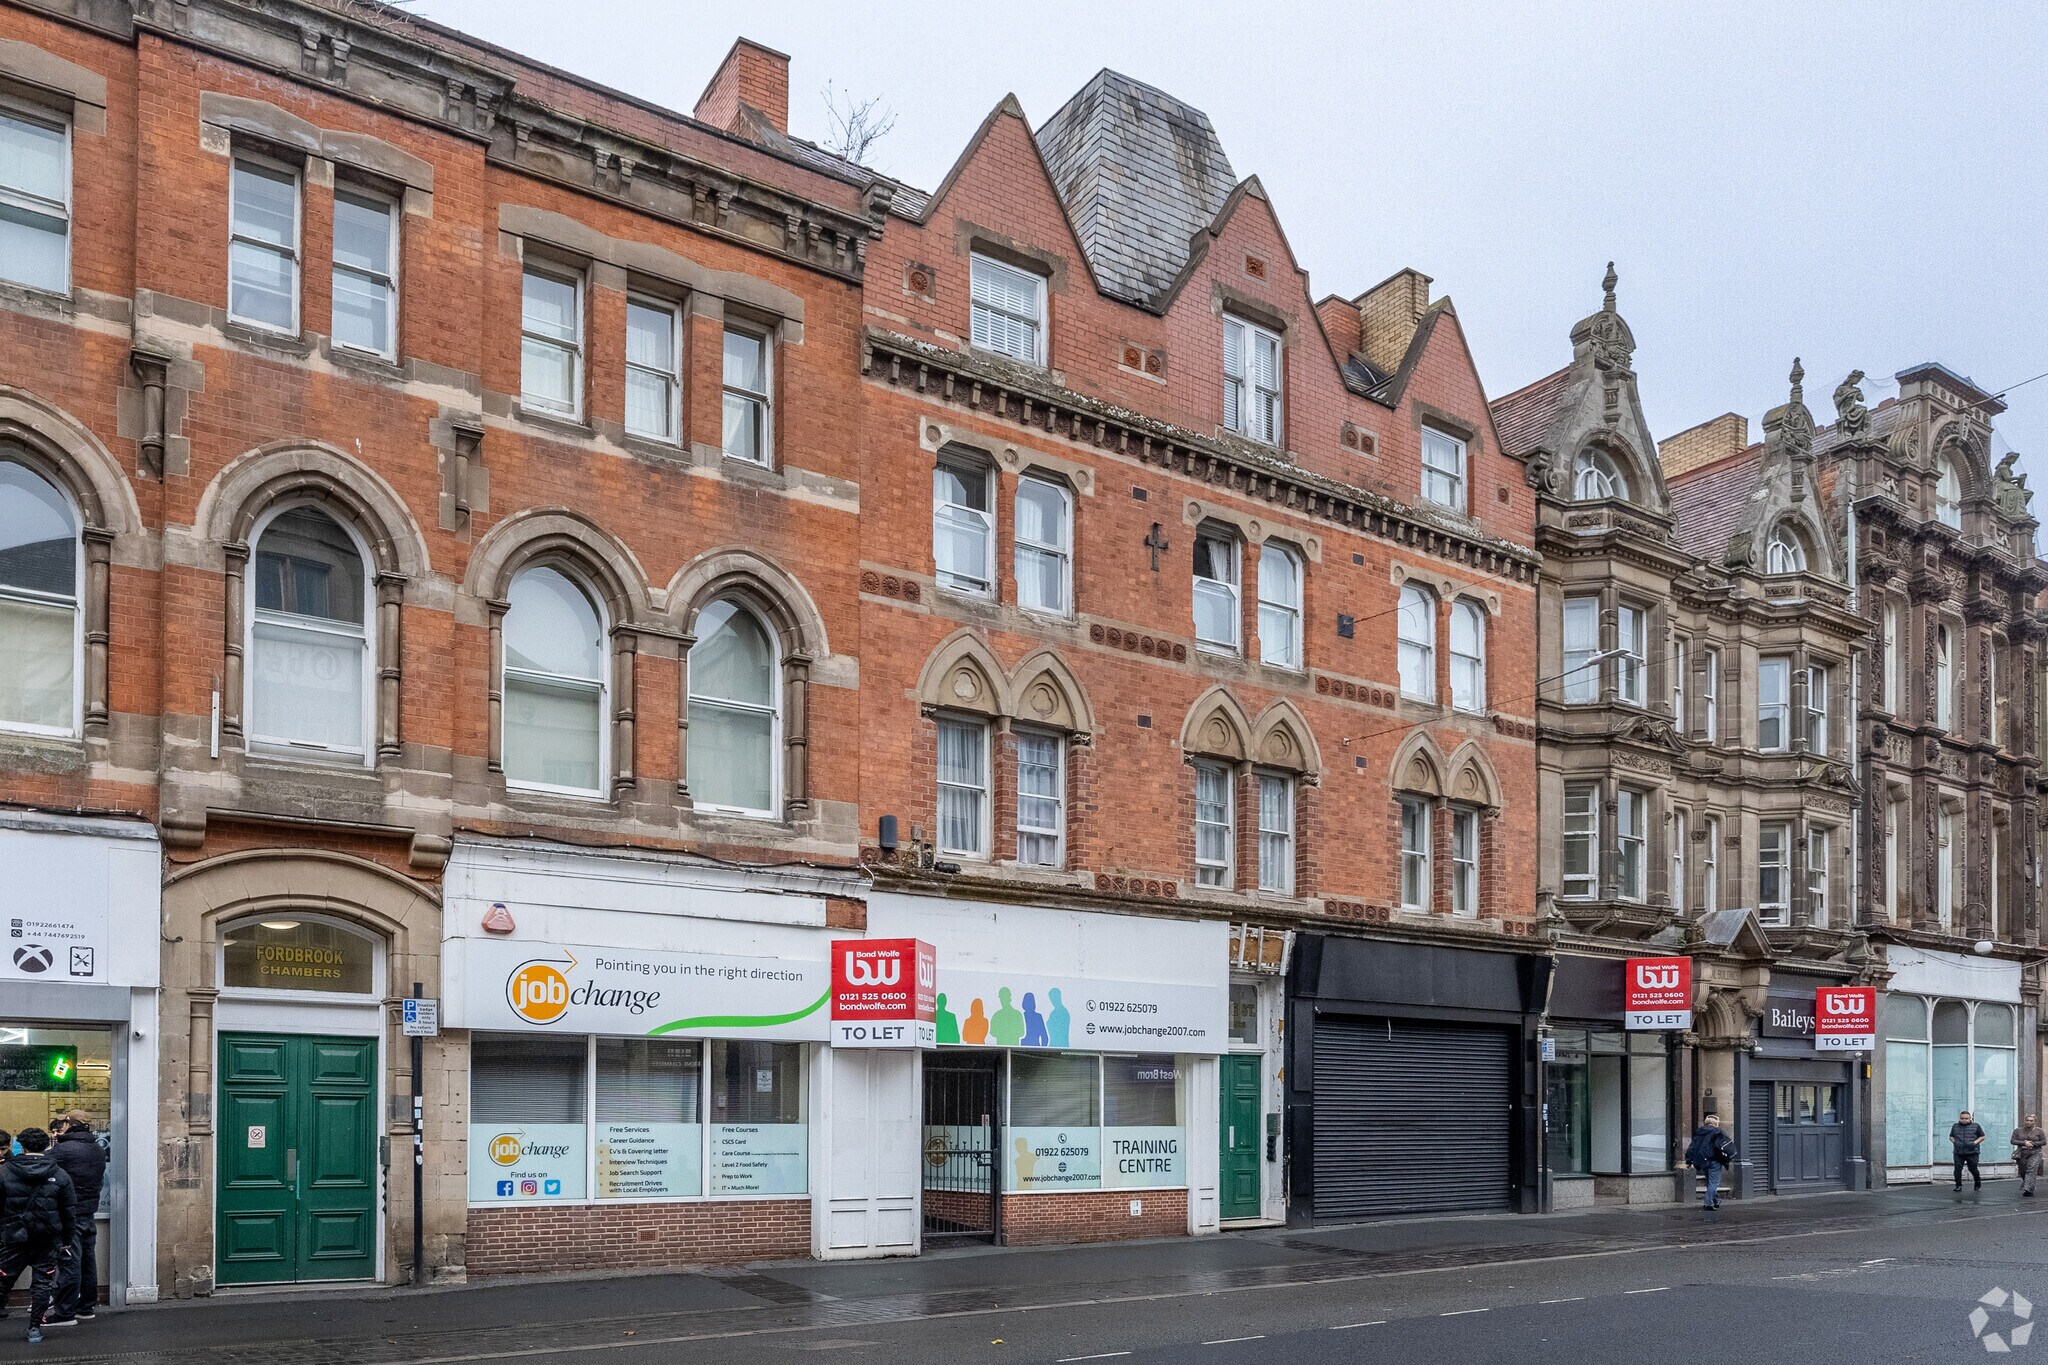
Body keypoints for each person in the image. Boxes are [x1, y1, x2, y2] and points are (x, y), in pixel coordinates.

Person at [0, 1127, 78, 1343]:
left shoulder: (5, 1171)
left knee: (3, 1279)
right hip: (47, 1237)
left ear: (21, 1146)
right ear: (46, 1146)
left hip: (15, 1236)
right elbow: (69, 1211)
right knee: (43, 1284)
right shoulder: (60, 1174)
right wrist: (67, 1240)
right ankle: (34, 1328)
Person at [49, 1114, 106, 1321]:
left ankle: (65, 1312)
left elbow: (43, 1171)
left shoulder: (62, 1150)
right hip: (89, 1209)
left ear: (69, 1124)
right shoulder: (97, 1150)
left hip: (69, 1212)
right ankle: (86, 1306)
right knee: (87, 1260)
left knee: (69, 1261)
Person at [1685, 1112, 1736, 1211]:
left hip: (1702, 1161)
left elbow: (1692, 1147)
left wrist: (1688, 1161)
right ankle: (1708, 1203)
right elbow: (1726, 1145)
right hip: (1715, 1160)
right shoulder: (1719, 1132)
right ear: (1716, 1123)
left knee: (1710, 1182)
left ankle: (1715, 1201)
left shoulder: (1699, 1133)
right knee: (1714, 1183)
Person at [1950, 1110, 1987, 1191]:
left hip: (1972, 1152)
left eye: (1966, 1118)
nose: (1964, 1120)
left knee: (1973, 1168)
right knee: (1957, 1169)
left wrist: (1974, 1143)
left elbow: (1982, 1136)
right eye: (1962, 1118)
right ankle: (1958, 1185)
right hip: (1958, 1152)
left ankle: (1977, 1181)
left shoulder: (1976, 1126)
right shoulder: (1955, 1126)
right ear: (1959, 1118)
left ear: (1970, 1118)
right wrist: (1955, 1142)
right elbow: (1951, 1136)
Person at [2012, 1114, 2046, 1198]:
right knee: (2023, 1171)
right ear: (2024, 1121)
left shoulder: (2039, 1131)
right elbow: (2013, 1141)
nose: (2029, 1122)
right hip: (2022, 1153)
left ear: (2034, 1122)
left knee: (2031, 1170)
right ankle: (2030, 1185)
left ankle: (2028, 1190)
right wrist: (2024, 1143)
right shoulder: (2018, 1130)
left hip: (2035, 1152)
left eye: (2031, 1121)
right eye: (2027, 1120)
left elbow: (2044, 1142)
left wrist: (2032, 1143)